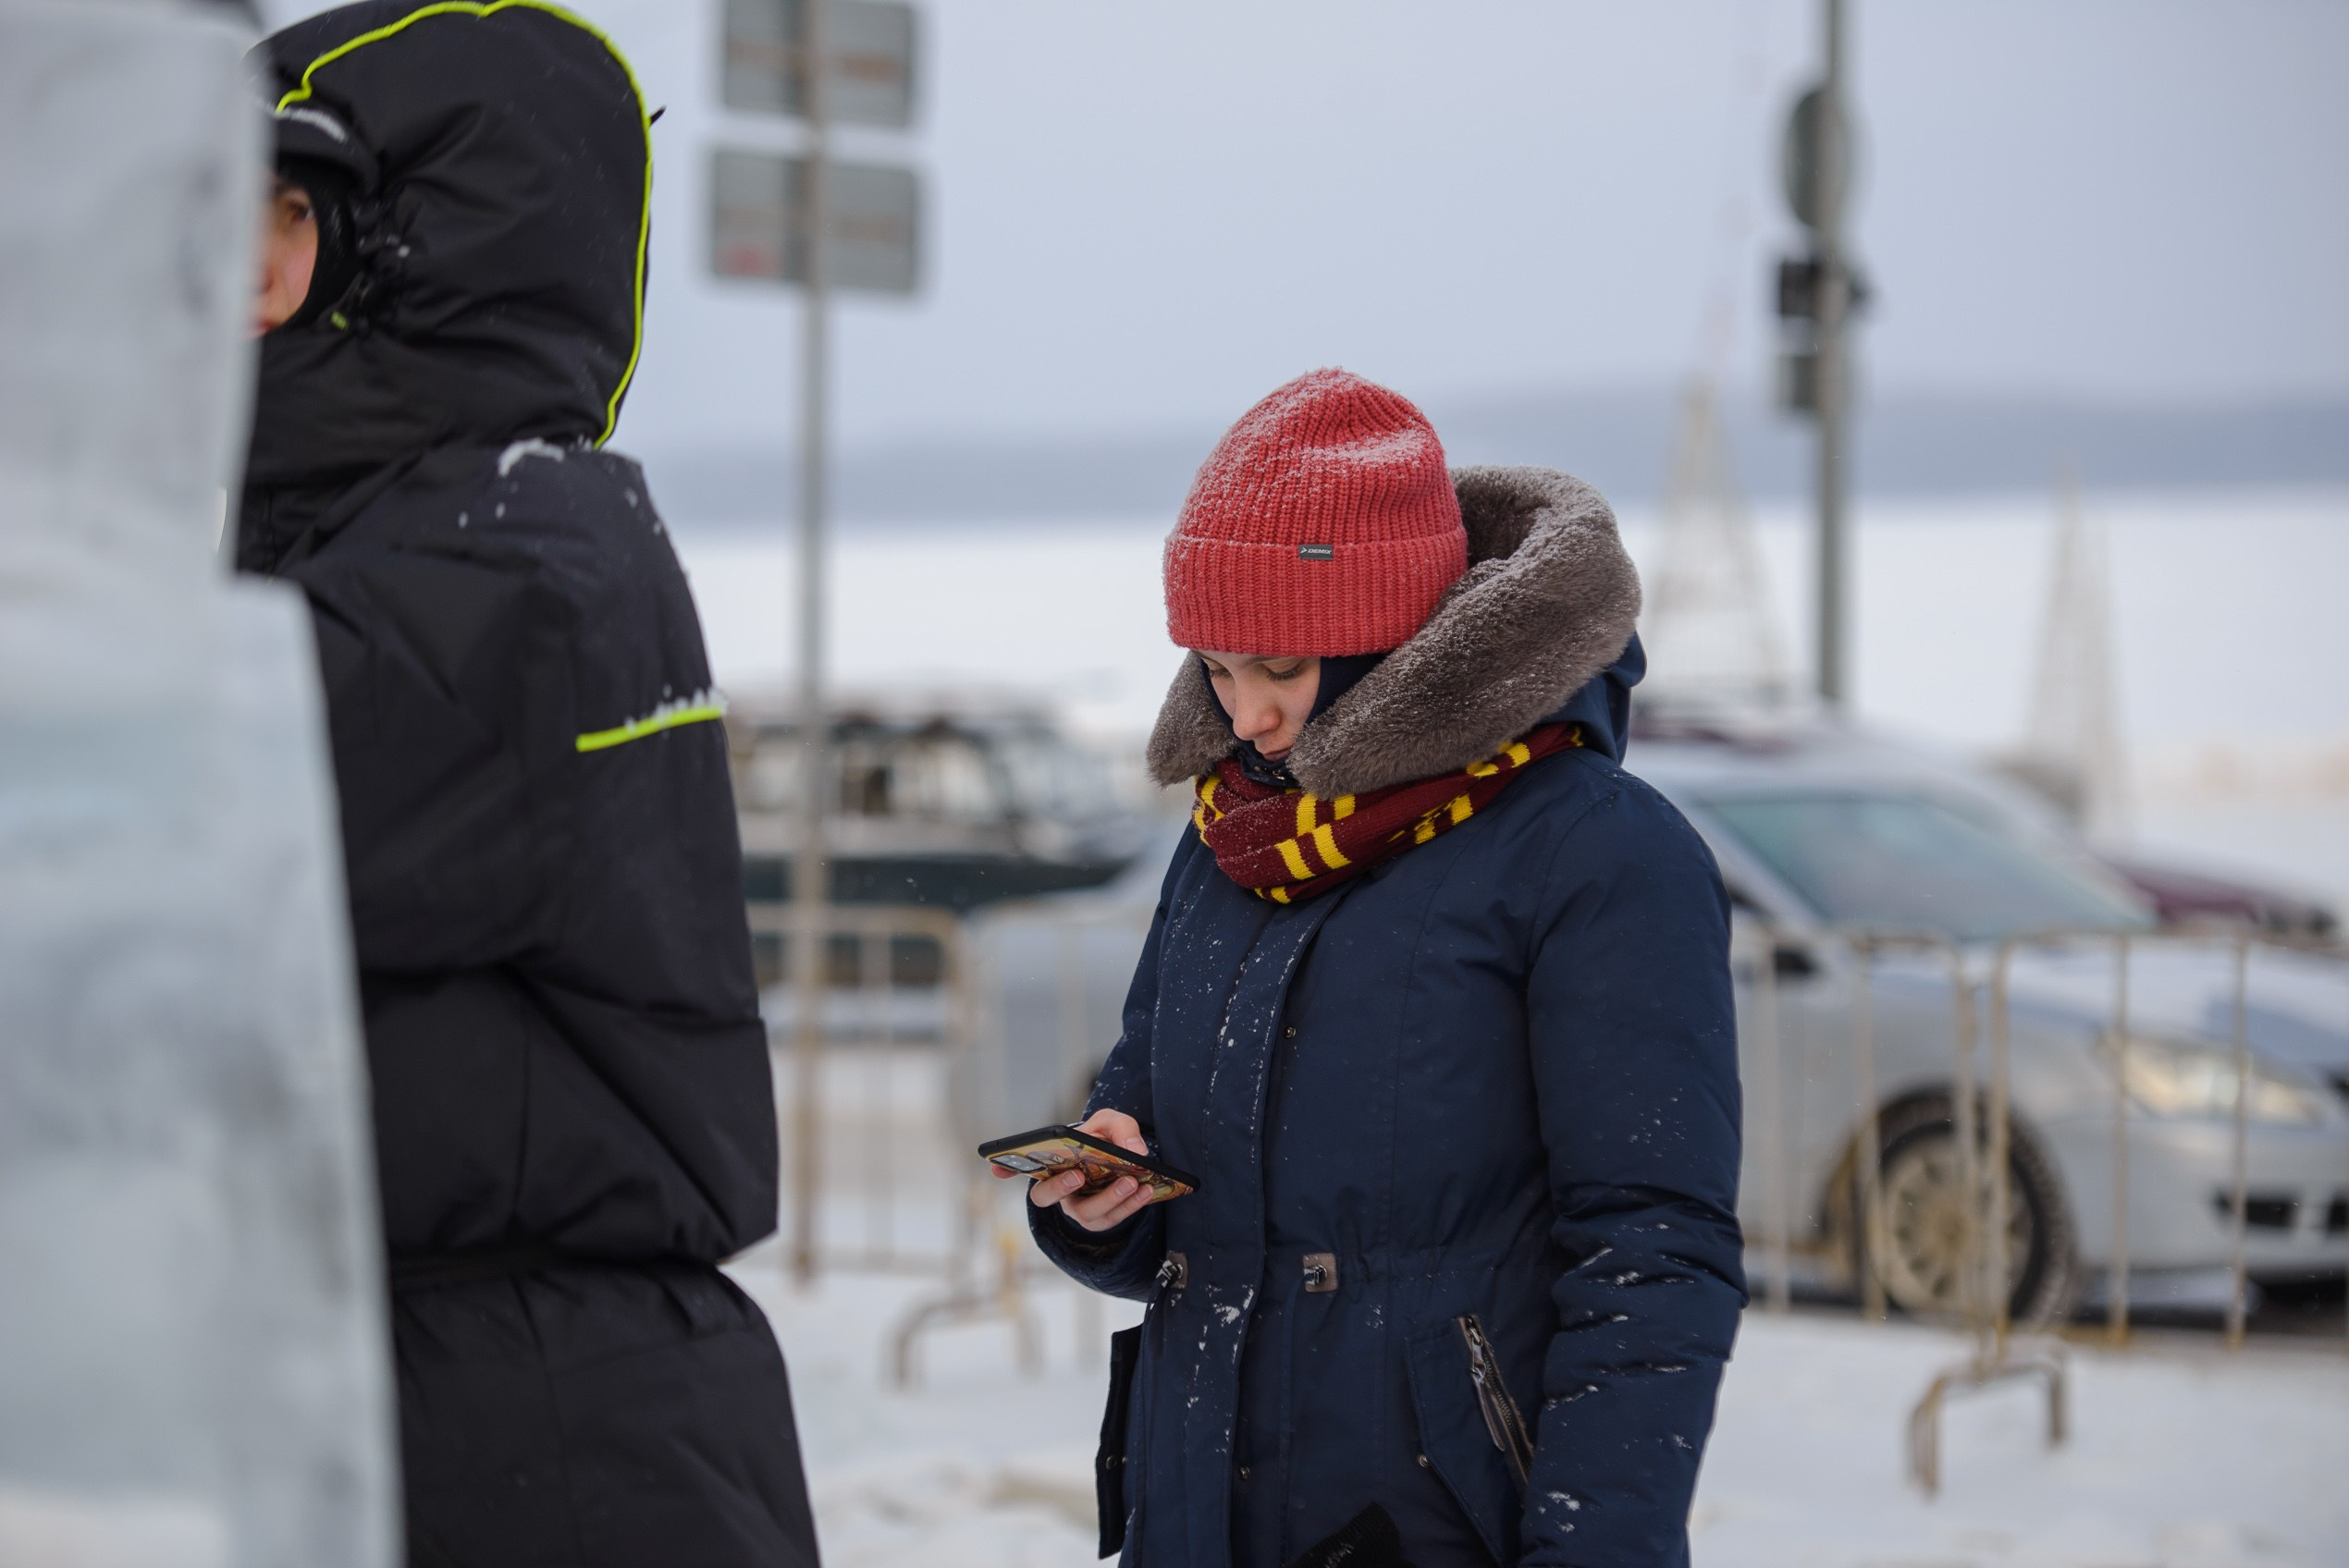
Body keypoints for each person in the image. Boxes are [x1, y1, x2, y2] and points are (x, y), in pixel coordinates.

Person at [238, 6, 818, 1565]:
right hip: (411, 1390)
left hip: (538, 1426)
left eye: (275, 222)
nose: (222, 284)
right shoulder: (344, 547)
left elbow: (190, 797)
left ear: (417, 243)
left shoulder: (526, 559)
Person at [1023, 370, 1745, 1568]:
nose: (1244, 714)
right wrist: (1109, 1201)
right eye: (1213, 667)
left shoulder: (1594, 853)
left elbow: (1651, 1256)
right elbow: (1161, 1132)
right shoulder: (1229, 842)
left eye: (1281, 670)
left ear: (1385, 643)